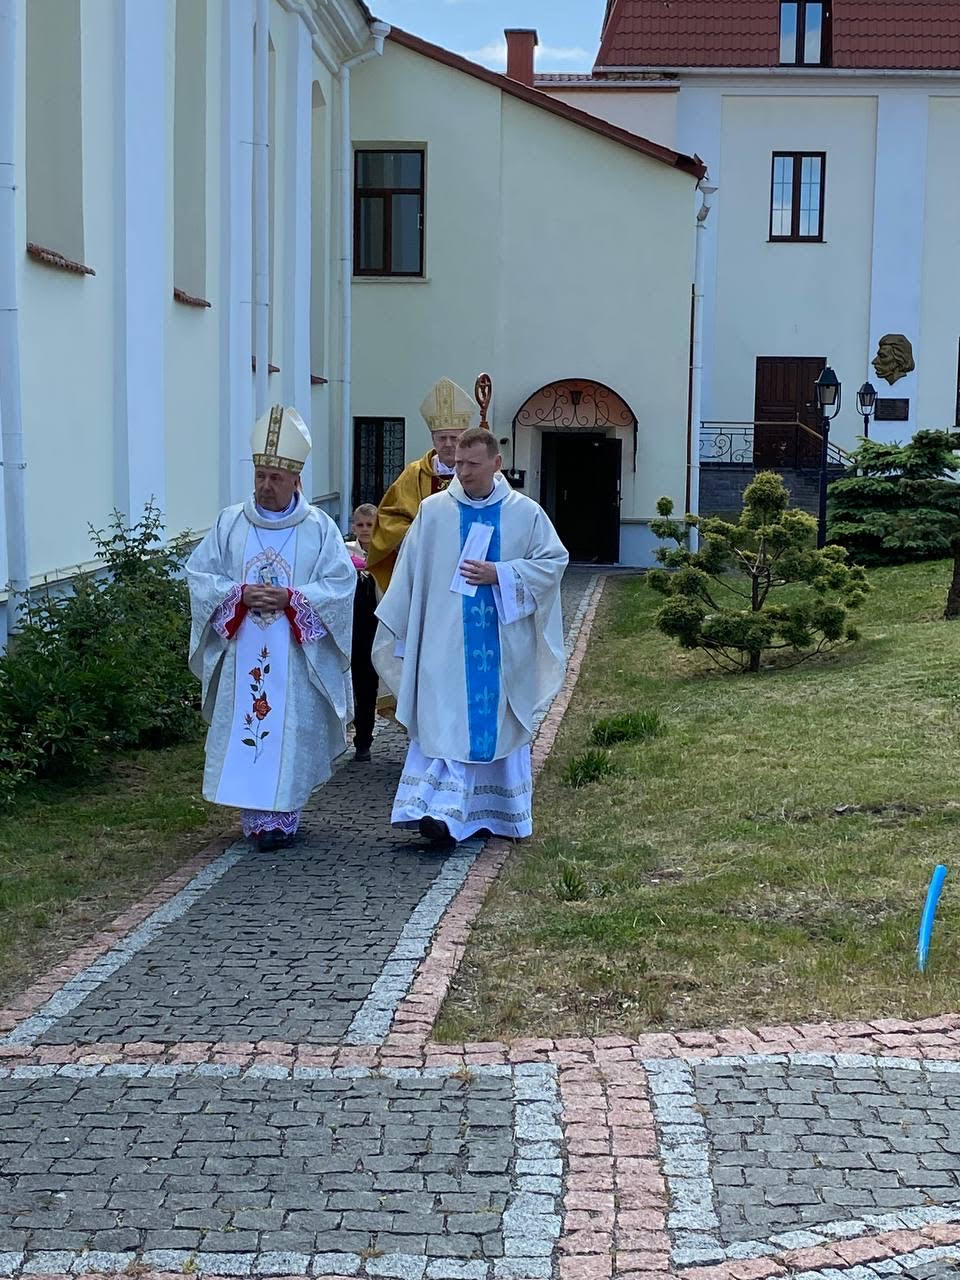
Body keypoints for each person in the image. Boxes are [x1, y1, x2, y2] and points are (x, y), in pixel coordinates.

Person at [373, 426, 569, 847]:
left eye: (472, 464)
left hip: (502, 647)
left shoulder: (525, 513)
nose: (462, 472)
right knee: (444, 722)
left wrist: (502, 573)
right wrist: (404, 628)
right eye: (458, 464)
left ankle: (493, 813)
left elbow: (553, 563)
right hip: (443, 646)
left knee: (490, 726)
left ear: (496, 464)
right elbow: (409, 575)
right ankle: (438, 813)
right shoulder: (434, 512)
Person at [186, 405, 356, 851]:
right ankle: (256, 815)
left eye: (275, 477)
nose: (265, 485)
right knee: (249, 724)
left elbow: (340, 585)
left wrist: (293, 599)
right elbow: (200, 576)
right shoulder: (229, 523)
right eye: (260, 475)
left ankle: (281, 817)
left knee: (287, 729)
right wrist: (238, 595)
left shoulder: (318, 528)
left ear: (295, 479)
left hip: (294, 654)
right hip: (244, 646)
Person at [366, 377, 477, 593]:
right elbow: (389, 517)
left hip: (467, 564)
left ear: (464, 439)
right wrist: (420, 538)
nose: (448, 444)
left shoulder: (478, 472)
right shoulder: (415, 473)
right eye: (442, 438)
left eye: (454, 438)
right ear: (433, 439)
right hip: (423, 566)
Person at [345, 503, 379, 762]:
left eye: (370, 524)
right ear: (353, 526)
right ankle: (358, 735)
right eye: (360, 524)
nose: (365, 529)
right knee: (355, 681)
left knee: (371, 683)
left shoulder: (386, 552)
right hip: (353, 625)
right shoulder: (344, 552)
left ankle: (365, 737)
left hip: (377, 624)